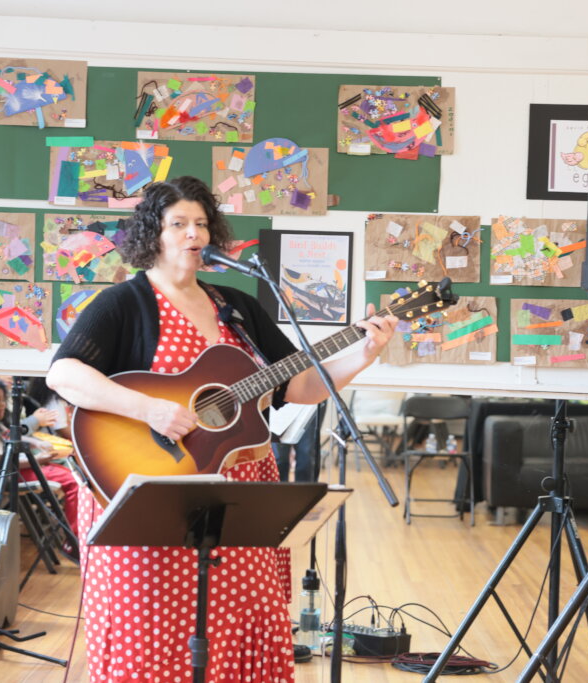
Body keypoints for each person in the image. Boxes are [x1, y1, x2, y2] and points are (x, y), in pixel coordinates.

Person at [46, 176, 397, 682]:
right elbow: (63, 374)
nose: (194, 234)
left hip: (239, 495)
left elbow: (298, 386)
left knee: (245, 616)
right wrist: (150, 410)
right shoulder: (124, 303)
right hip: (151, 490)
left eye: (202, 224)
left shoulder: (237, 307)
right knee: (150, 627)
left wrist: (364, 353)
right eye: (179, 224)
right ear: (153, 234)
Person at [0, 378, 79, 533]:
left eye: (3, 399)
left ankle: (75, 532)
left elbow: (11, 436)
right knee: (73, 481)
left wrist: (36, 443)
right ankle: (75, 534)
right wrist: (37, 460)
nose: (2, 404)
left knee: (73, 475)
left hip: (20, 467)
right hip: (9, 475)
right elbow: (3, 462)